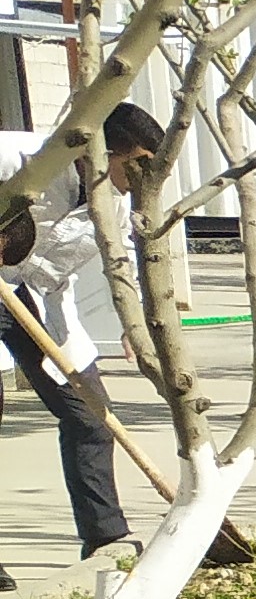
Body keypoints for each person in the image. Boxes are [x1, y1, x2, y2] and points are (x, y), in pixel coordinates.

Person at [1, 102, 169, 567]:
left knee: (91, 416)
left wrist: (131, 325)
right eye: (134, 164)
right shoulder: (19, 160)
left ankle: (104, 538)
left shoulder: (113, 200)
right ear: (103, 150)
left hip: (39, 301)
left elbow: (126, 262)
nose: (141, 177)